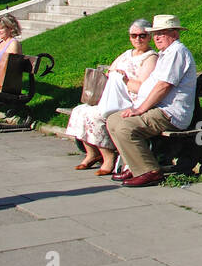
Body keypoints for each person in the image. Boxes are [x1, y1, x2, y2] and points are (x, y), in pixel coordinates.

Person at [105, 14, 198, 187]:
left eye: (162, 32)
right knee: (113, 120)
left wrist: (140, 110)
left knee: (126, 128)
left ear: (175, 33)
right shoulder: (166, 53)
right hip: (157, 108)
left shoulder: (177, 52)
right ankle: (133, 166)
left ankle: (150, 171)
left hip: (169, 113)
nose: (157, 37)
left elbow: (163, 86)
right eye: (155, 33)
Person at [66, 19, 158, 175]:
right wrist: (115, 75)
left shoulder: (150, 57)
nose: (137, 39)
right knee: (80, 111)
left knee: (96, 115)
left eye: (142, 35)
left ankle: (108, 157)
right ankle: (93, 154)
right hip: (114, 98)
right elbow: (110, 72)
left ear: (149, 36)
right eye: (133, 35)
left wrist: (124, 79)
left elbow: (142, 88)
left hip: (131, 102)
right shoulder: (127, 54)